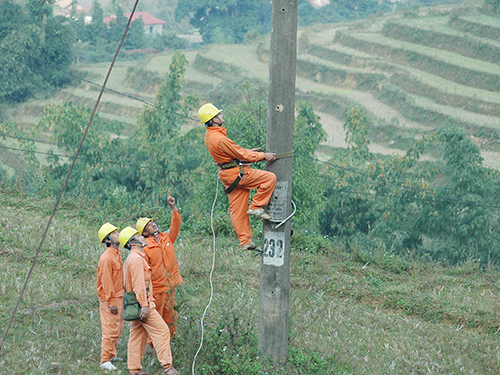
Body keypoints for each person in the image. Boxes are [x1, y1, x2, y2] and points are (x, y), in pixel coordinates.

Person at [199, 102, 277, 251]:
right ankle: (256, 207)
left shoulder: (210, 136)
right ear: (214, 119)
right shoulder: (220, 138)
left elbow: (232, 153)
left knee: (238, 211)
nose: (222, 116)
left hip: (227, 175)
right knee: (270, 178)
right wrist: (262, 156)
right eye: (219, 115)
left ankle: (245, 241)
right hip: (237, 173)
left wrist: (247, 153)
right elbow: (240, 153)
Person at [119, 227, 180, 375]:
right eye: (138, 236)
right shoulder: (137, 259)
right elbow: (140, 285)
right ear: (132, 242)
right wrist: (145, 306)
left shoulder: (131, 259)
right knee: (162, 331)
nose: (141, 237)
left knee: (137, 336)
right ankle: (167, 367)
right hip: (142, 305)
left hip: (134, 305)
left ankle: (134, 370)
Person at [136, 193, 182, 342]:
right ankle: (153, 345)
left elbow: (175, 225)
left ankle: (171, 341)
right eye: (149, 224)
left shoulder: (165, 237)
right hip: (157, 290)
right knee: (157, 318)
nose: (153, 224)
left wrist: (173, 207)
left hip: (171, 285)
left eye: (153, 222)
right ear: (144, 232)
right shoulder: (145, 248)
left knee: (171, 315)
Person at [97, 223, 124, 371]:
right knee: (110, 329)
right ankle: (105, 359)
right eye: (114, 233)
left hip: (119, 296)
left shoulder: (117, 254)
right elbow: (106, 283)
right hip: (110, 299)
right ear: (108, 239)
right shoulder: (107, 258)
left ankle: (112, 355)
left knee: (117, 328)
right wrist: (111, 302)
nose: (118, 234)